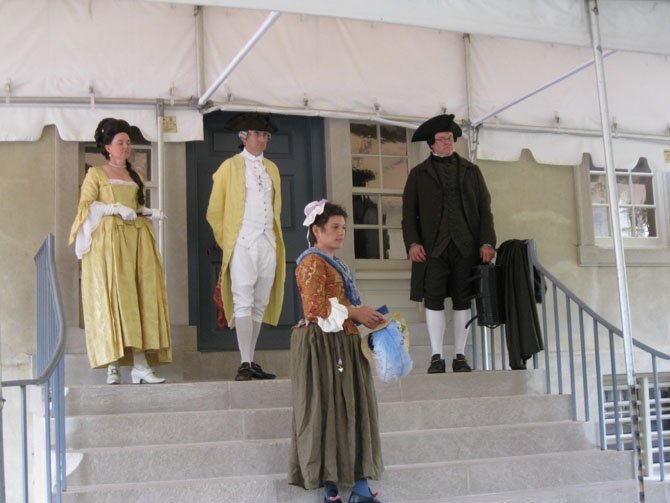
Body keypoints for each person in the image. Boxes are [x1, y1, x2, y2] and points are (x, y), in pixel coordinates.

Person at [288, 200, 385, 503]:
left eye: (343, 227)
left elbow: (337, 305)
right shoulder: (311, 262)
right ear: (316, 230)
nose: (341, 232)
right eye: (334, 227)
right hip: (323, 345)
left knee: (350, 408)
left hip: (342, 340)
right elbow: (314, 308)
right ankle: (332, 485)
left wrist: (364, 315)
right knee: (328, 408)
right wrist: (355, 312)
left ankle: (357, 485)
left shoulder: (332, 262)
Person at [69, 117, 171, 385]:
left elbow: (135, 208)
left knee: (142, 297)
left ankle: (140, 363)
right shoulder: (96, 174)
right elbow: (86, 207)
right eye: (120, 142)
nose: (126, 146)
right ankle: (112, 363)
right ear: (107, 147)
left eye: (128, 142)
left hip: (138, 240)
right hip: (110, 243)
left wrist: (149, 212)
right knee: (116, 297)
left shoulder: (133, 174)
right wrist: (114, 209)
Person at [402, 114, 496, 373]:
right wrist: (412, 243)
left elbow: (484, 210)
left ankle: (459, 355)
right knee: (433, 300)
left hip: (466, 247)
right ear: (431, 144)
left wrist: (487, 242)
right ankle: (436, 355)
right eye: (442, 140)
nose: (447, 143)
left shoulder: (471, 171)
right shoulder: (418, 174)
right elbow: (409, 213)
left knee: (462, 300)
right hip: (432, 250)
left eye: (450, 139)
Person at [206, 112, 285, 381]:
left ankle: (250, 360)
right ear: (244, 137)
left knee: (259, 302)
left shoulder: (272, 168)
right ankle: (244, 361)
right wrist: (229, 241)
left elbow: (276, 208)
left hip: (267, 241)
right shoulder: (229, 166)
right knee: (243, 298)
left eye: (265, 135)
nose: (262, 139)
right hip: (242, 241)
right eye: (258, 134)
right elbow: (214, 211)